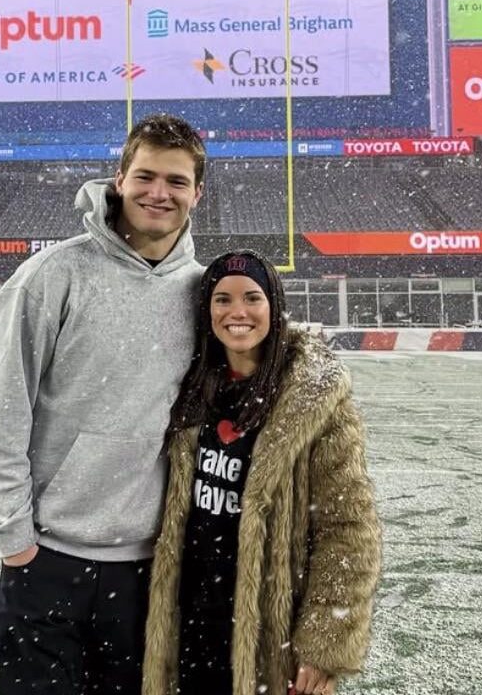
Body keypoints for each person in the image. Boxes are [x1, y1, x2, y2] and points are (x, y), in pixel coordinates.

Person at [0, 113, 207, 695]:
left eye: (176, 181)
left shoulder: (204, 292)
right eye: (146, 176)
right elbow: (2, 411)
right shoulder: (51, 276)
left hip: (149, 568)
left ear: (198, 193)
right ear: (119, 179)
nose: (159, 193)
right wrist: (15, 540)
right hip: (47, 557)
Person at [143, 250, 383, 695]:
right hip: (189, 618)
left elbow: (348, 529)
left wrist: (324, 645)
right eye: (222, 300)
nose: (237, 312)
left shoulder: (314, 401)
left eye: (252, 297)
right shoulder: (189, 387)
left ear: (274, 306)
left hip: (271, 632)